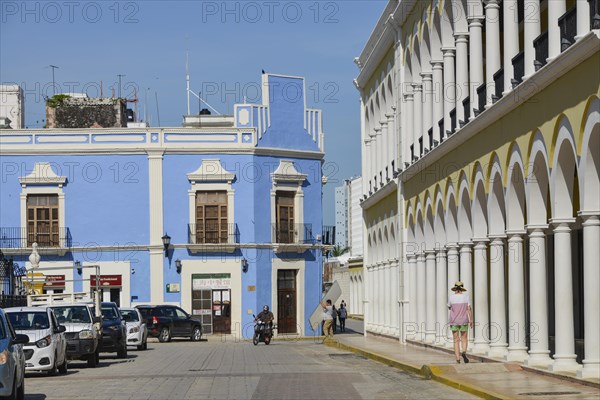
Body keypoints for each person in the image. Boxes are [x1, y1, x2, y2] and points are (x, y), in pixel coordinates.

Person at [448, 281, 473, 364]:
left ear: (455, 289)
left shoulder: (451, 297)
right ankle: (464, 352)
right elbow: (469, 309)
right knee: (464, 339)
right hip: (464, 320)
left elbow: (449, 307)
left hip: (454, 321)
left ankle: (458, 359)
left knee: (456, 340)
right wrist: (471, 320)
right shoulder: (466, 297)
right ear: (462, 289)